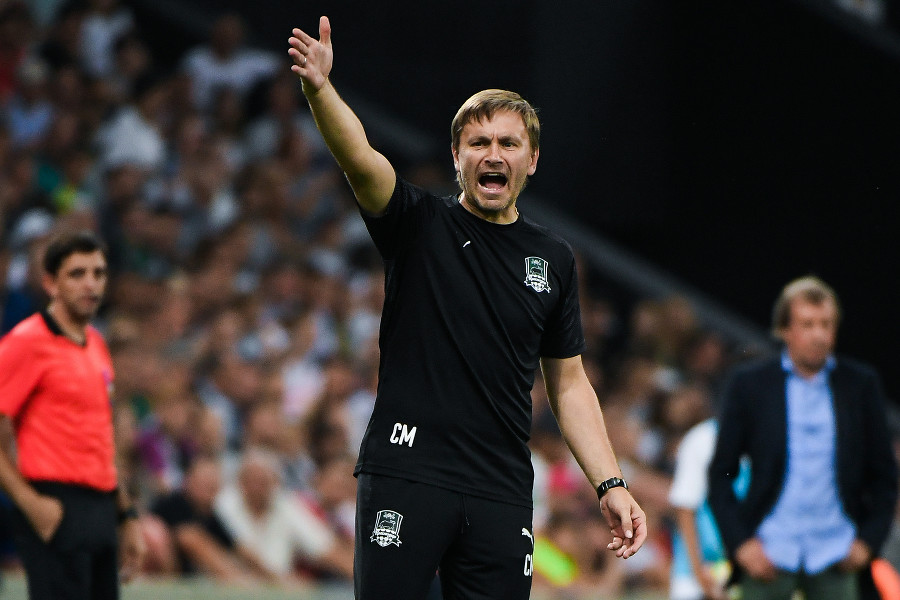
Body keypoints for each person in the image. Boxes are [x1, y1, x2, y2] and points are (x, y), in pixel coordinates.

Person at [288, 16, 647, 600]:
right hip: (408, 471)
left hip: (501, 487)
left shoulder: (554, 258)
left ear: (532, 159)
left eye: (508, 143)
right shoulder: (418, 223)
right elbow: (361, 159)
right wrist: (321, 90)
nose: (492, 154)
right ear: (457, 156)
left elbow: (569, 382)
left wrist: (610, 483)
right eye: (479, 143)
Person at [708, 276, 898, 600]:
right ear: (785, 329)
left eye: (826, 324)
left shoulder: (859, 385)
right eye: (807, 324)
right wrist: (740, 543)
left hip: (836, 551)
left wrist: (868, 541)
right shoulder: (752, 385)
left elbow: (884, 474)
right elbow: (722, 472)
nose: (818, 335)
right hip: (769, 548)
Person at [0, 229, 145, 599]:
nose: (90, 284)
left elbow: (101, 437)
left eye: (98, 273)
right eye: (77, 274)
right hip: (55, 502)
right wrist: (31, 504)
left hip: (100, 506)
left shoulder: (96, 343)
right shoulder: (27, 342)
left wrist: (126, 516)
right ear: (51, 283)